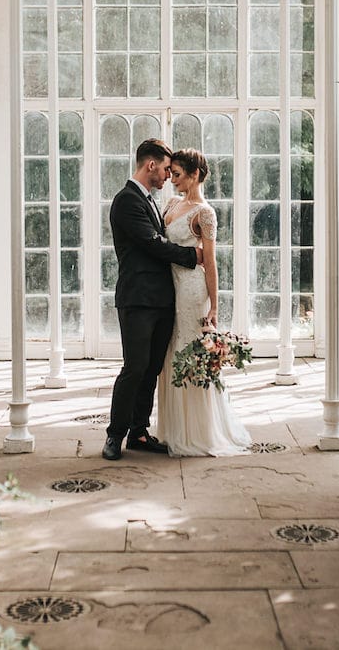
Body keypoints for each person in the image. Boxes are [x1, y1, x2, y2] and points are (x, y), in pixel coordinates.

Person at [104, 138, 203, 461]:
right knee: (134, 368)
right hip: (137, 299)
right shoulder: (127, 200)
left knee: (151, 370)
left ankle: (139, 432)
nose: (167, 177)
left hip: (162, 300)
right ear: (150, 166)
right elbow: (152, 243)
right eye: (163, 170)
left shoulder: (150, 201)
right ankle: (114, 435)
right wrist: (192, 255)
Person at [156, 148, 252, 457]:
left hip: (192, 290)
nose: (172, 179)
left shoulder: (204, 213)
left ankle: (198, 431)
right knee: (171, 354)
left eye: (178, 174)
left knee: (190, 353)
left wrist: (214, 308)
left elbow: (210, 263)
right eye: (171, 173)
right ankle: (173, 429)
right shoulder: (171, 203)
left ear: (195, 174)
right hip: (168, 287)